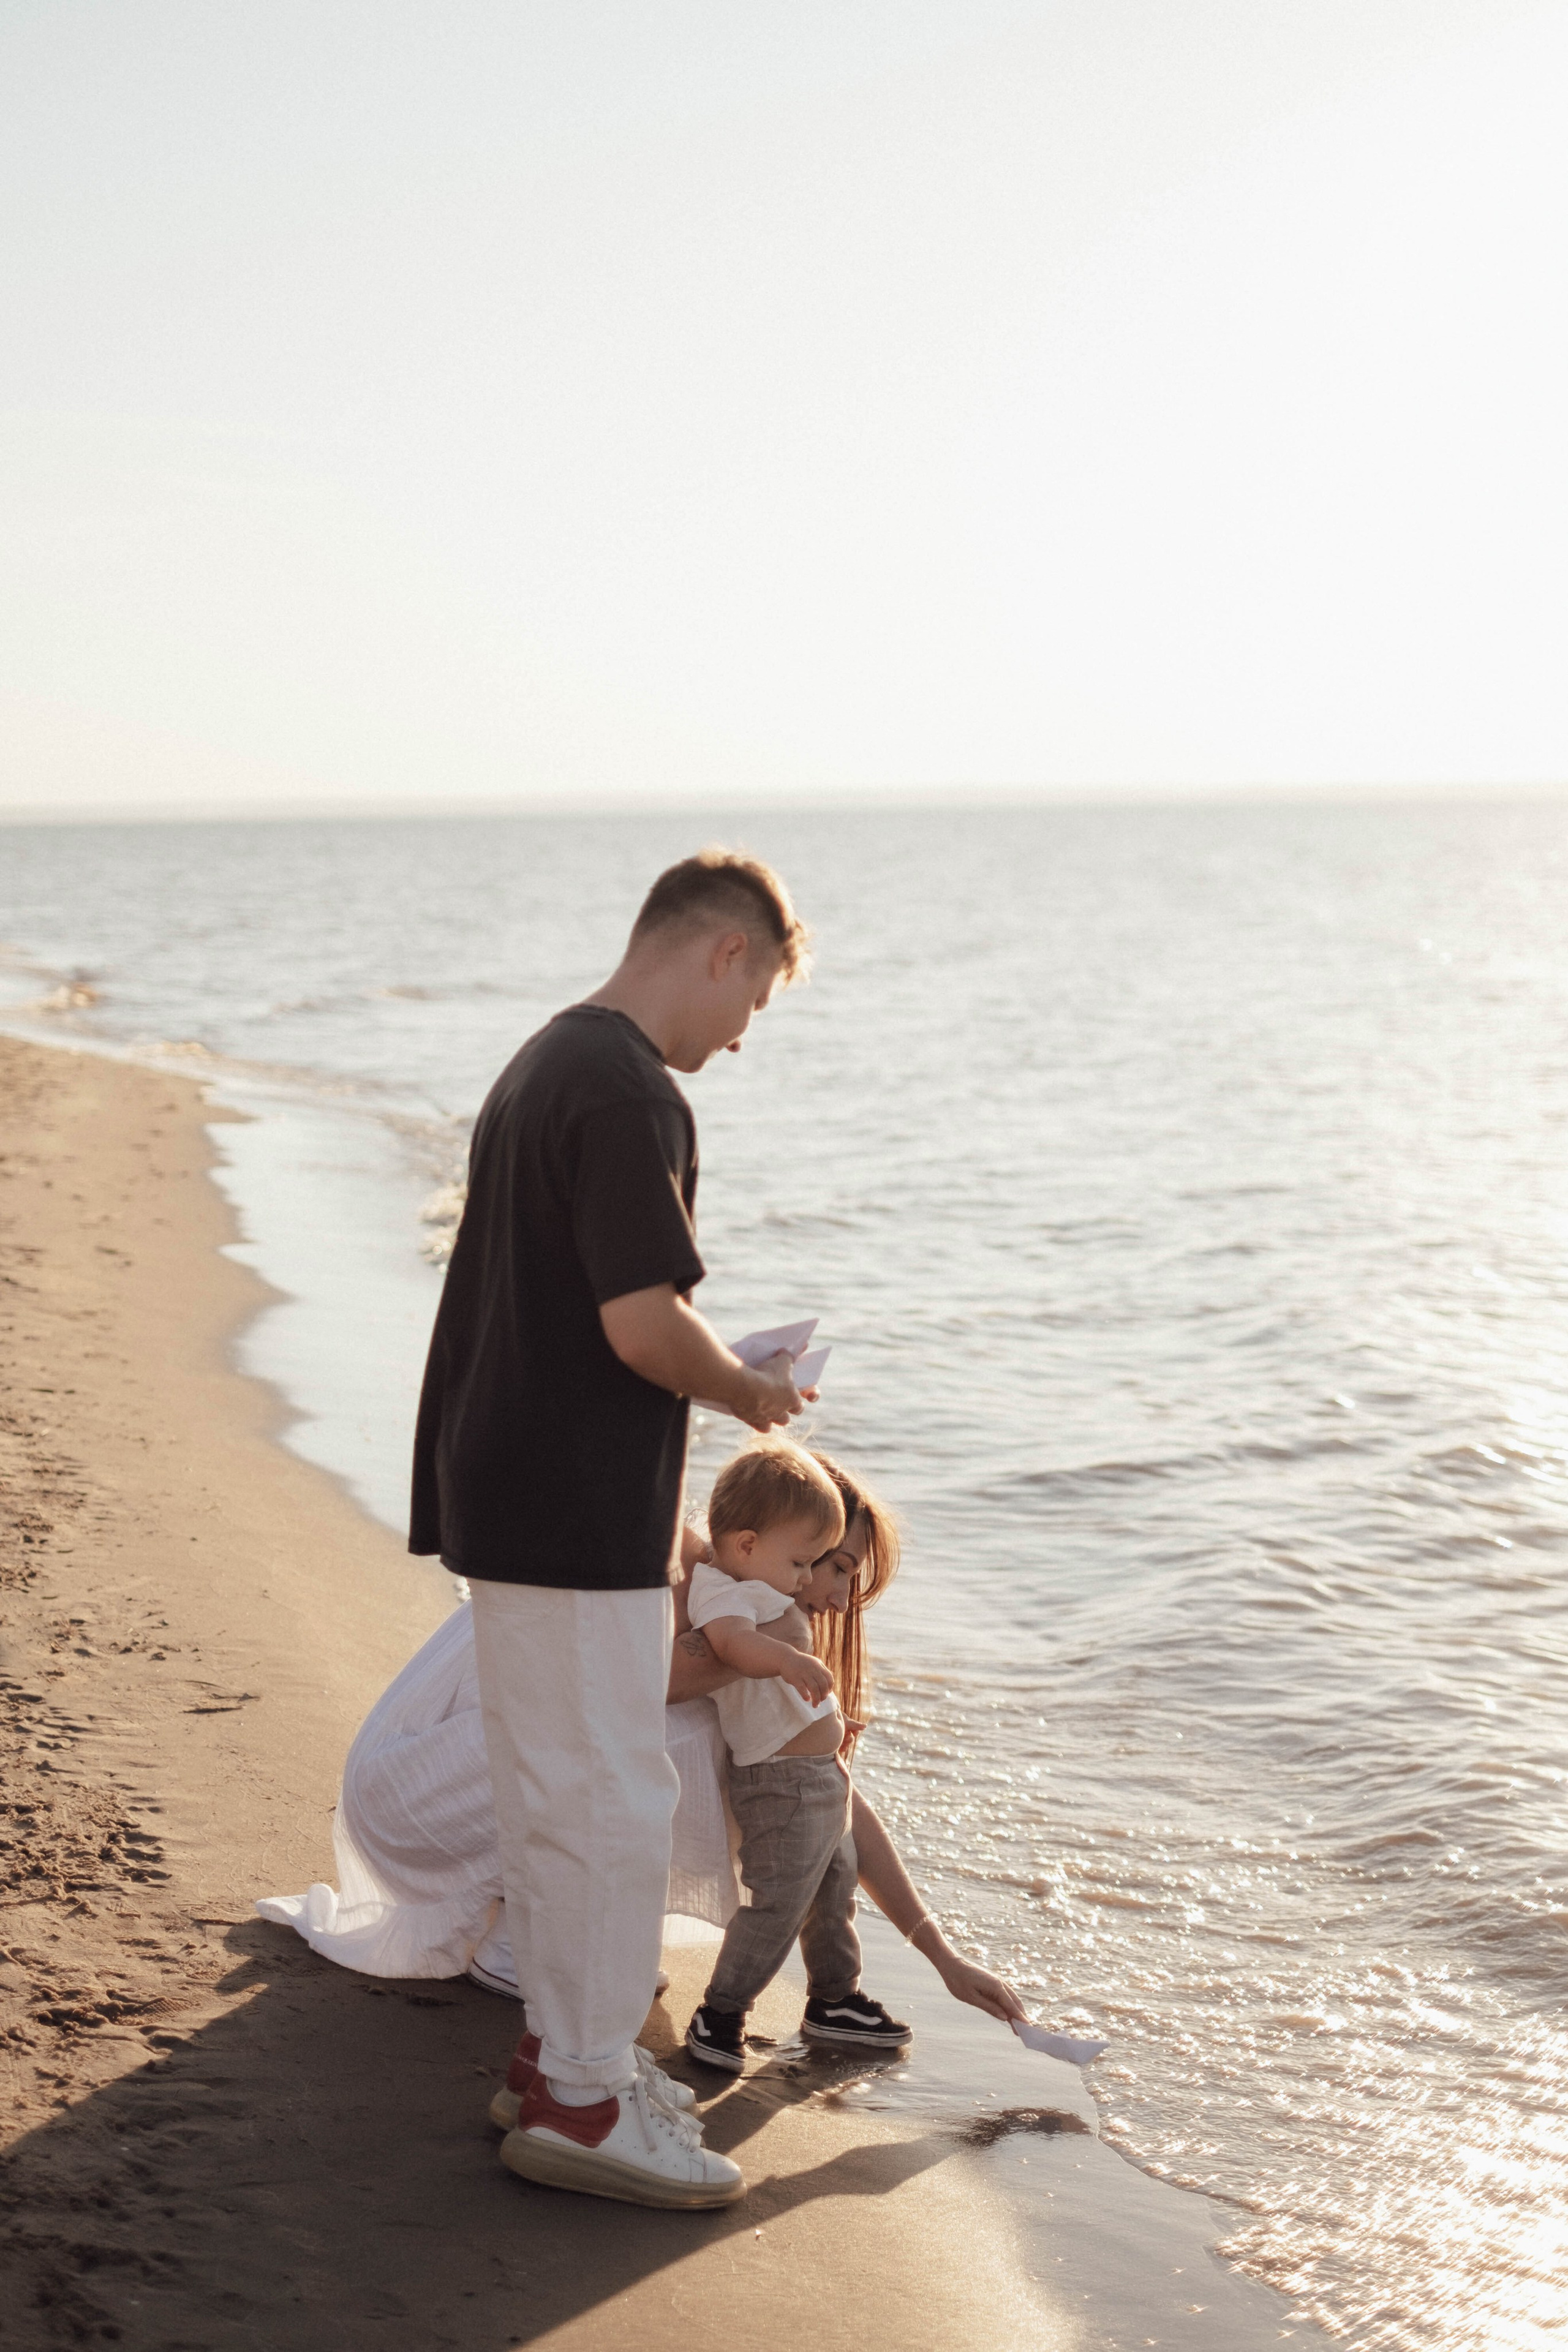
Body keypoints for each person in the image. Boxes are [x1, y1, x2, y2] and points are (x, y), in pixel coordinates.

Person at [407, 848, 815, 2211]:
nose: (739, 1036)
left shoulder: (542, 1060)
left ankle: (550, 2063)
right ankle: (581, 2096)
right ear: (724, 952)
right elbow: (640, 1326)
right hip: (572, 1498)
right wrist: (753, 1391)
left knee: (554, 1785)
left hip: (508, 1484)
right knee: (609, 1794)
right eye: (750, 1002)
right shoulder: (628, 1085)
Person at [680, 1440, 911, 2071]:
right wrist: (788, 1658)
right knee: (779, 1900)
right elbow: (730, 1646)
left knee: (834, 1893)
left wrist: (828, 1717)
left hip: (813, 1778)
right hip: (783, 1786)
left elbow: (774, 1694)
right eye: (809, 1563)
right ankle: (721, 2012)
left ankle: (835, 1997)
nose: (814, 1584)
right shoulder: (727, 1592)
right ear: (753, 1543)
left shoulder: (765, 1587)